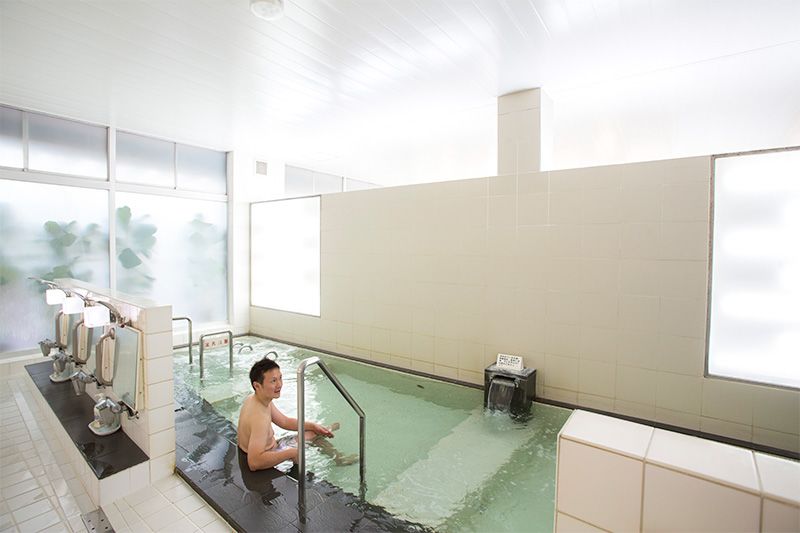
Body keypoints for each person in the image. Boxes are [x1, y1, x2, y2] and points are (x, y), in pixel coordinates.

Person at [237, 357, 357, 471]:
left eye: (280, 378)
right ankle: (332, 457)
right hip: (268, 454)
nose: (279, 384)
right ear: (257, 385)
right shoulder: (259, 418)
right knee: (309, 441)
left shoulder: (257, 399)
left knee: (313, 432)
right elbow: (254, 463)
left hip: (271, 447)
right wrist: (292, 453)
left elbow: (284, 422)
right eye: (273, 381)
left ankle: (329, 441)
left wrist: (313, 425)